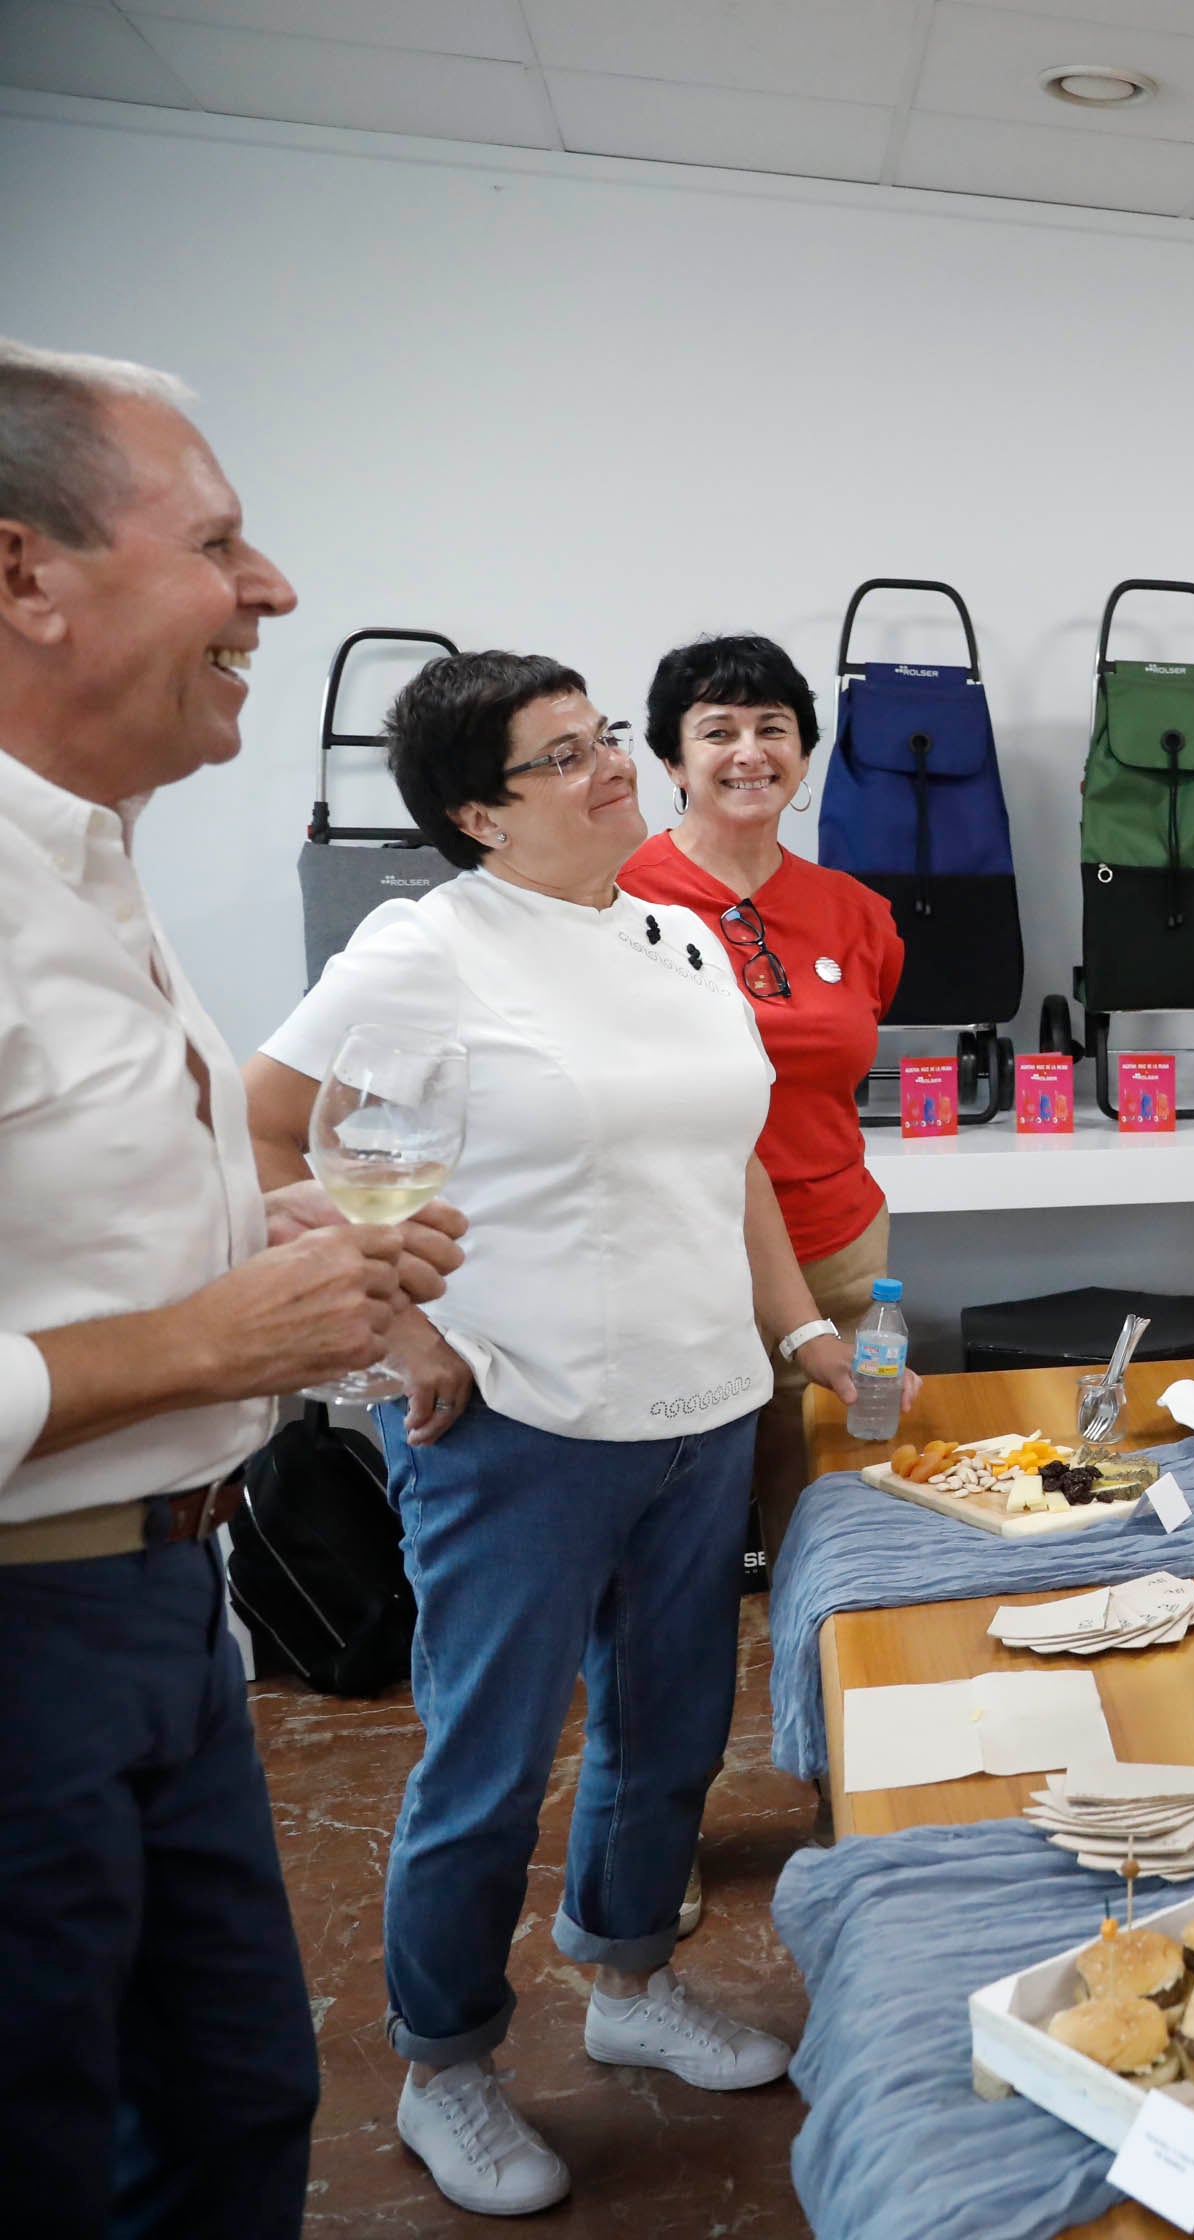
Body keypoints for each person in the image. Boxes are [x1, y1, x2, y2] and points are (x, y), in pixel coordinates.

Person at [243, 651, 847, 2215]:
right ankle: (447, 2065)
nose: (611, 772)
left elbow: (740, 1172)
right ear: (474, 813)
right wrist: (403, 1330)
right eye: (563, 758)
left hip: (701, 1407)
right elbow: (260, 1130)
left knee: (666, 1741)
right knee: (489, 1764)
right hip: (520, 1417)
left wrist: (801, 1333)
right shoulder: (422, 948)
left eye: (599, 743)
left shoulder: (680, 939)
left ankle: (631, 1977)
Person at [0, 340, 467, 2240]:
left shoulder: (91, 873)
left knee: (235, 2098)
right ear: (22, 575)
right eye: (221, 542)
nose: (273, 590)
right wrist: (202, 1343)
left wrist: (265, 1265)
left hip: (165, 1608)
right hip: (27, 1635)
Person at [619, 633, 904, 1566]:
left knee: (835, 1523)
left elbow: (837, 1065)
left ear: (805, 755)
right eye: (718, 730)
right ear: (672, 760)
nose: (750, 752)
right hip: (681, 1260)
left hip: (841, 1254)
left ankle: (815, 1709)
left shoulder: (857, 912)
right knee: (680, 1546)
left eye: (773, 728)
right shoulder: (616, 900)